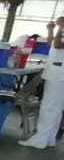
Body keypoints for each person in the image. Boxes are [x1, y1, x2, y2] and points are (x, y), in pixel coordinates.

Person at [20, 16, 64, 149]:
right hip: (57, 69)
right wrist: (51, 29)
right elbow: (51, 44)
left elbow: (57, 44)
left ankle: (41, 138)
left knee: (49, 107)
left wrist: (61, 26)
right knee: (56, 107)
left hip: (59, 71)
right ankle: (49, 137)